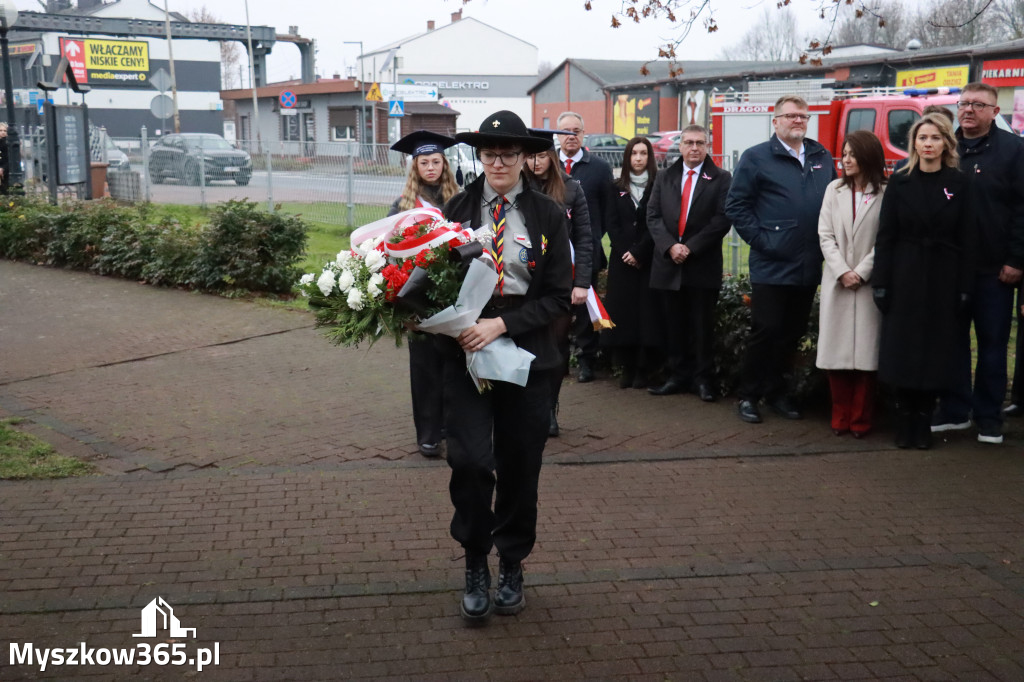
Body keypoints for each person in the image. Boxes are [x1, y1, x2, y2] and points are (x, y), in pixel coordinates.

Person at [441, 110, 571, 624]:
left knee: (520, 464)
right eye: (490, 154)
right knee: (471, 462)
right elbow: (430, 282)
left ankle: (512, 562)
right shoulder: (455, 208)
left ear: (525, 159)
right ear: (479, 157)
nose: (498, 162)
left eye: (509, 154)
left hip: (527, 354)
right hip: (466, 349)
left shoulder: (546, 215)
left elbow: (560, 296)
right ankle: (475, 560)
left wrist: (504, 326)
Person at [725, 95, 837, 424]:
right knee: (766, 330)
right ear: (775, 122)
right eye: (790, 116)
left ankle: (777, 392)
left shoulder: (821, 156)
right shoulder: (756, 158)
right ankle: (748, 395)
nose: (797, 121)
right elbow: (736, 206)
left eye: (803, 116)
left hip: (808, 263)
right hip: (771, 264)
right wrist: (762, 240)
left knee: (791, 332)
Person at [873, 113, 975, 449]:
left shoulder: (960, 184)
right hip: (905, 275)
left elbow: (968, 238)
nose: (927, 144)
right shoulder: (899, 182)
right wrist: (882, 282)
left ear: (946, 142)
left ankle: (924, 419)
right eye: (922, 138)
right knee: (902, 350)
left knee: (934, 353)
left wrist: (963, 287)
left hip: (943, 278)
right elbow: (885, 236)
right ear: (914, 143)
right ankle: (904, 419)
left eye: (934, 138)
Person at [931, 82, 1024, 445]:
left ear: (995, 112)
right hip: (951, 269)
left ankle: (988, 416)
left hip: (995, 270)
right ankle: (955, 410)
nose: (968, 110)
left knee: (992, 344)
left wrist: (1017, 259)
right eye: (964, 103)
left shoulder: (1014, 151)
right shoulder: (944, 147)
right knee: (952, 342)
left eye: (978, 105)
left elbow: (1022, 210)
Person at [388, 130, 462, 458]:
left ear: (445, 165)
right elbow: (389, 250)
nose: (430, 167)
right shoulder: (402, 206)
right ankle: (428, 434)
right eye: (424, 162)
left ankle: (451, 425)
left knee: (452, 363)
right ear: (414, 167)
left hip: (453, 294)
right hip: (417, 297)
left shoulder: (458, 201)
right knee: (423, 368)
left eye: (436, 161)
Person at [646, 125, 732, 400]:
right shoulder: (664, 177)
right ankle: (678, 376)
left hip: (701, 264)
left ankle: (704, 379)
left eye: (700, 143)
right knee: (673, 324)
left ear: (708, 146)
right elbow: (653, 215)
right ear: (680, 146)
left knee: (701, 326)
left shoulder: (720, 178)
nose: (694, 148)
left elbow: (722, 219)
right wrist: (671, 246)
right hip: (668, 265)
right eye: (689, 143)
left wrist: (690, 248)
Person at [815, 130, 887, 438]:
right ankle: (840, 416)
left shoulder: (886, 192)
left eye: (852, 154)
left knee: (866, 358)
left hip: (868, 284)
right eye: (844, 153)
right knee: (837, 355)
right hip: (838, 282)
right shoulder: (834, 189)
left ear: (868, 157)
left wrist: (863, 270)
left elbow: (886, 238)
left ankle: (861, 420)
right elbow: (825, 234)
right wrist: (843, 271)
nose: (846, 159)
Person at [523, 130, 593, 436]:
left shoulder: (571, 189)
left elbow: (585, 239)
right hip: (522, 281)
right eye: (529, 155)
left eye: (541, 155)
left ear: (551, 156)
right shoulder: (515, 188)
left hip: (561, 283)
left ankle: (550, 409)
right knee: (524, 346)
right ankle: (523, 407)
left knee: (555, 347)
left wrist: (583, 283)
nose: (535, 162)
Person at [556, 111, 617, 383]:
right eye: (566, 131)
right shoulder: (546, 166)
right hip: (552, 255)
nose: (572, 136)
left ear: (584, 134)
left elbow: (607, 211)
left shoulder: (600, 168)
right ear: (558, 135)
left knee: (584, 310)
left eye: (577, 131)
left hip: (585, 253)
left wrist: (590, 238)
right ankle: (556, 360)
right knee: (555, 309)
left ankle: (586, 360)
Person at [602, 136, 661, 389]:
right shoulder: (615, 187)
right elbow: (611, 223)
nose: (638, 158)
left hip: (648, 260)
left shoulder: (659, 185)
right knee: (623, 313)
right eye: (634, 153)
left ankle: (643, 368)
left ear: (650, 157)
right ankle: (625, 366)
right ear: (627, 158)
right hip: (622, 261)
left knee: (646, 314)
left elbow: (659, 221)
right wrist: (627, 251)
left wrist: (640, 252)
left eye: (643, 153)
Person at [0, 122, 9, 195]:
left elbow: (8, 158)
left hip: (6, 171)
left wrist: (3, 168)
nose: (2, 132)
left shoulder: (8, 142)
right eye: (0, 130)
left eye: (5, 131)